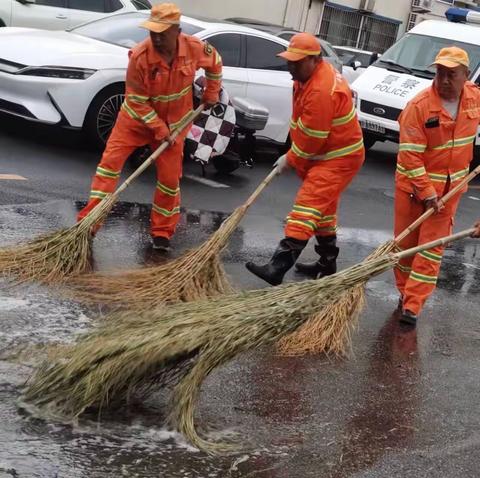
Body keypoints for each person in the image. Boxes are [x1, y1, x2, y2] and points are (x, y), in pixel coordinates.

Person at [77, 3, 222, 251]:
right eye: (152, 31)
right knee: (108, 169)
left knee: (169, 181)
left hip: (175, 123)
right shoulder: (140, 56)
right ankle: (89, 225)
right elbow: (136, 100)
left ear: (176, 30)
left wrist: (211, 92)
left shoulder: (195, 48)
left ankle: (162, 233)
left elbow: (216, 62)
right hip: (135, 122)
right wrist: (158, 127)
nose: (155, 37)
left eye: (161, 32)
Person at [245, 33, 364, 286]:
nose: (291, 66)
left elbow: (312, 139)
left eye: (297, 62)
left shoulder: (322, 90)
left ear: (314, 60)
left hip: (338, 157)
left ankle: (278, 267)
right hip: (327, 153)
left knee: (306, 208)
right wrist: (294, 155)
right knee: (323, 211)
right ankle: (327, 263)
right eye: (289, 61)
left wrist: (290, 158)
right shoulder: (306, 76)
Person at [394, 46, 480, 327]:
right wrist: (427, 192)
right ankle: (404, 293)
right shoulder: (419, 107)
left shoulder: (474, 100)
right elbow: (410, 155)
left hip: (451, 191)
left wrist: (440, 195)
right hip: (412, 188)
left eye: (451, 74)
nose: (443, 79)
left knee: (430, 249)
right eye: (440, 72)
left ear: (466, 75)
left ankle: (413, 306)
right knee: (405, 248)